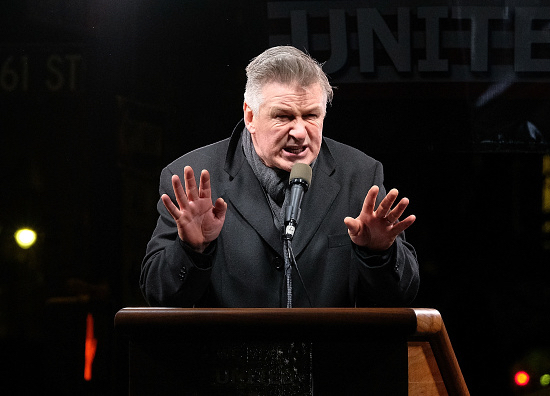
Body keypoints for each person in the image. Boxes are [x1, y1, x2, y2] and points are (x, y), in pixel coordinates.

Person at [140, 46, 419, 308]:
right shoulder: (193, 178)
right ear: (250, 116)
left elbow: (402, 296)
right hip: (232, 358)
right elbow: (158, 296)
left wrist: (379, 253)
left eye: (311, 116)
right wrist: (191, 250)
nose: (299, 132)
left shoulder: (360, 175)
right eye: (284, 117)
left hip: (327, 358)